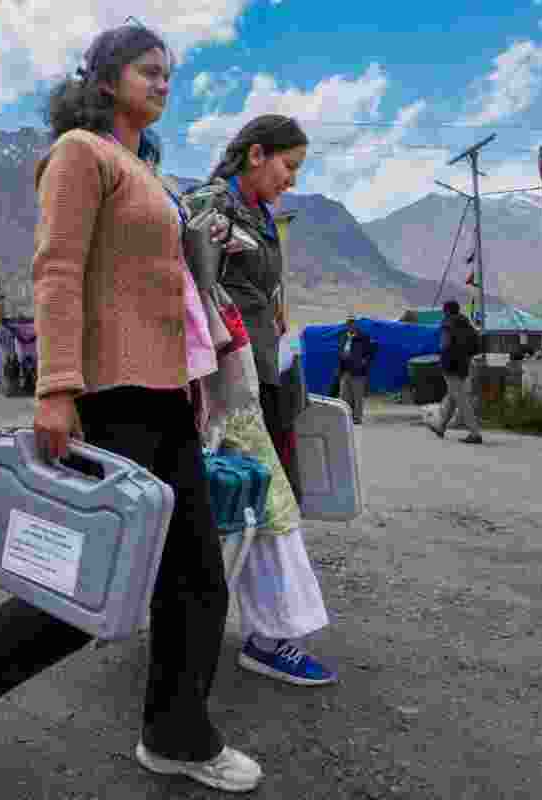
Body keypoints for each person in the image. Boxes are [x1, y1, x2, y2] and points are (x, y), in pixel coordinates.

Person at [0, 24, 263, 792]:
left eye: (169, 74)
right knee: (97, 583)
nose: (164, 83)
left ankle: (176, 735)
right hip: (111, 394)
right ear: (105, 80)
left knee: (196, 578)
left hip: (168, 393)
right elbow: (57, 271)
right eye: (148, 70)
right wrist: (55, 389)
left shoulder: (150, 173)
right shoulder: (81, 154)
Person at [184, 114, 337, 690]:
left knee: (248, 501)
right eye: (288, 166)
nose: (291, 180)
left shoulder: (262, 218)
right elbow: (195, 298)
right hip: (225, 381)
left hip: (262, 370)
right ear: (255, 154)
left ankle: (242, 626)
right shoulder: (211, 205)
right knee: (262, 503)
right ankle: (271, 636)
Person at [428, 300, 483, 444]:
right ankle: (440, 427)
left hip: (451, 364)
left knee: (460, 398)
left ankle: (474, 432)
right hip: (464, 364)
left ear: (446, 311)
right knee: (453, 395)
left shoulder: (448, 322)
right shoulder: (466, 323)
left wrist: (440, 351)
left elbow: (445, 344)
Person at [335, 316, 376, 424]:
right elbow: (339, 349)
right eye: (348, 323)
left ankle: (357, 418)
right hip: (345, 370)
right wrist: (341, 356)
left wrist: (364, 362)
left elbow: (371, 353)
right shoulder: (343, 336)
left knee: (357, 396)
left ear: (355, 325)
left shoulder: (364, 337)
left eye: (352, 323)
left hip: (358, 372)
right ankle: (346, 418)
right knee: (344, 396)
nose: (350, 325)